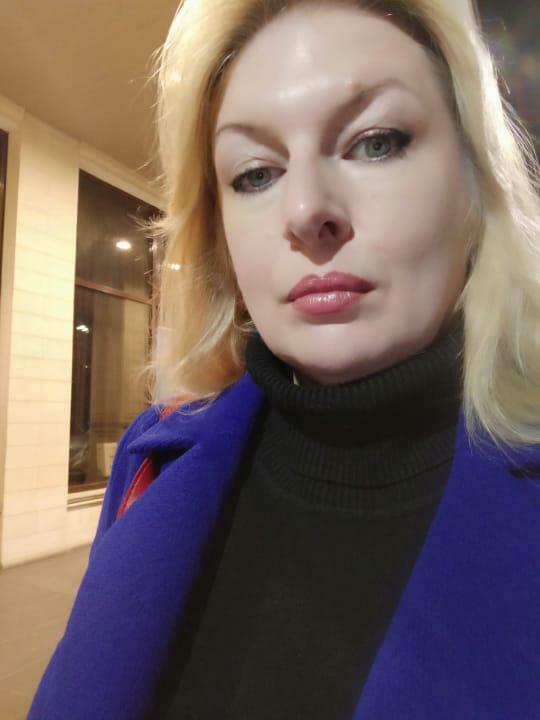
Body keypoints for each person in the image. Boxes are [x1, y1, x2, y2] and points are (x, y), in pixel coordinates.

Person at [28, 0, 540, 718]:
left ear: (474, 183)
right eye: (256, 174)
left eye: (376, 142)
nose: (306, 211)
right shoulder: (155, 460)